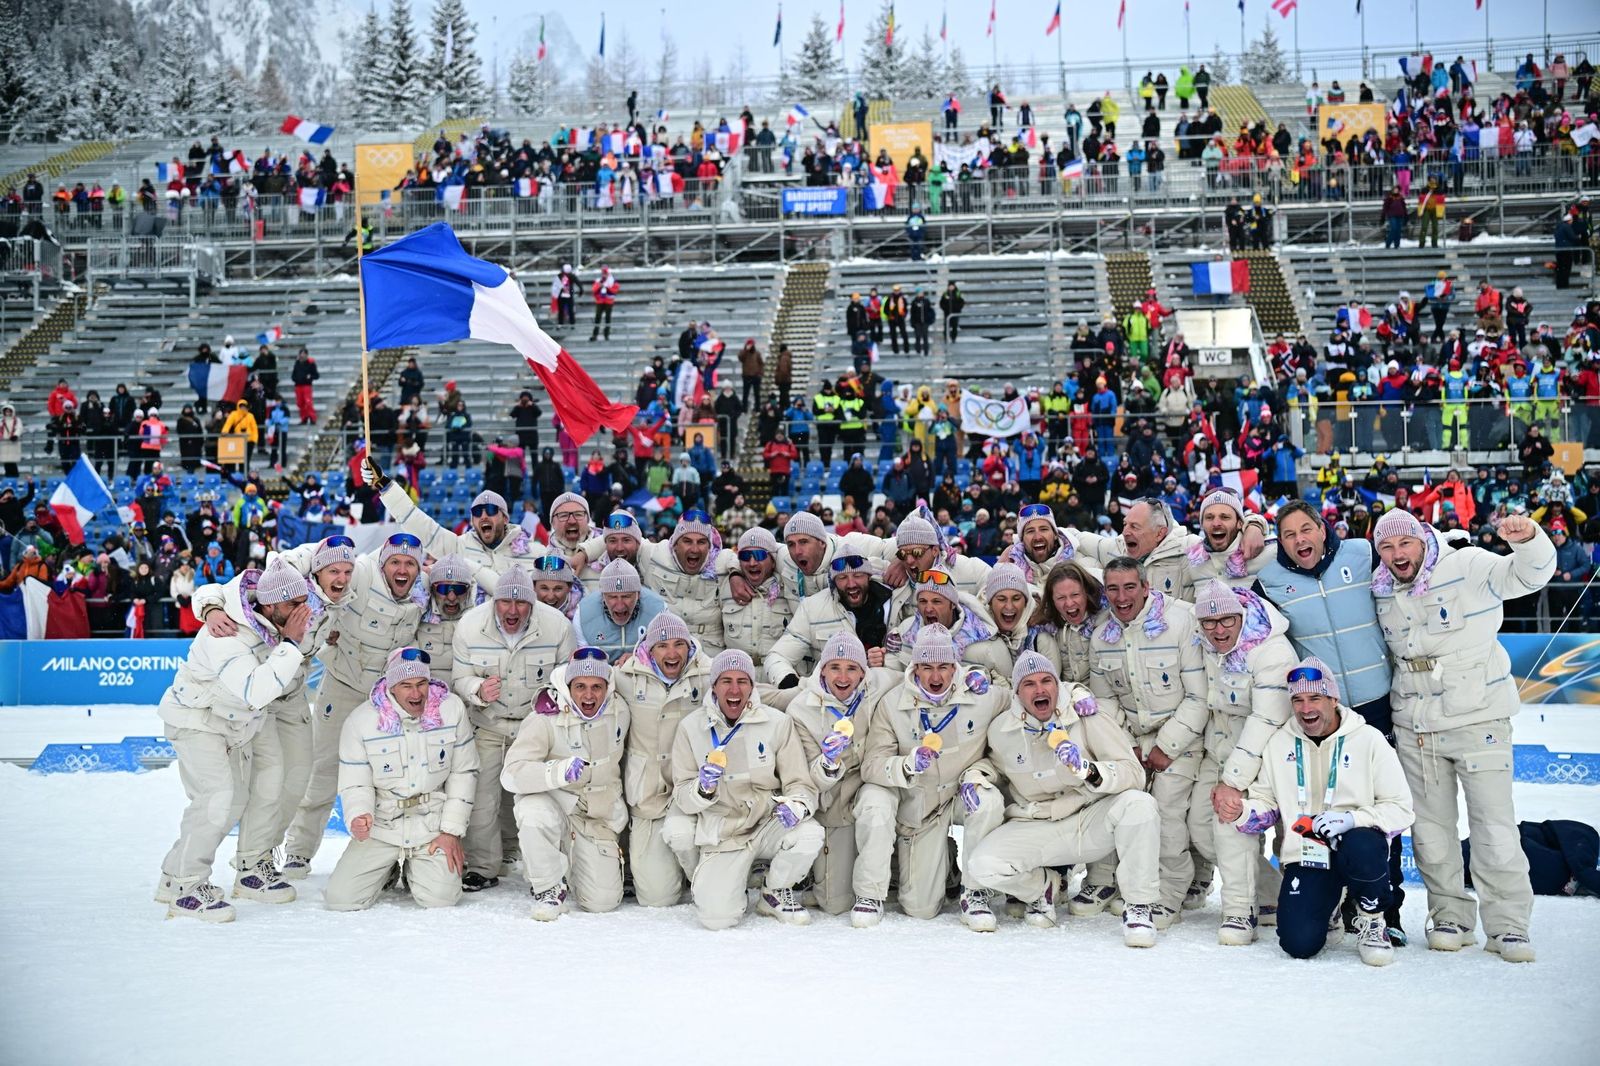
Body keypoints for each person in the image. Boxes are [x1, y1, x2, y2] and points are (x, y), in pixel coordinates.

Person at [1372, 509, 1553, 962]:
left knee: (1495, 829)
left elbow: (1528, 575)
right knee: (1431, 835)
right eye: (1387, 548)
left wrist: (1528, 538)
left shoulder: (1466, 564)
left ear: (1422, 540)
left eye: (1405, 544)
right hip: (1416, 726)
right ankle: (1449, 915)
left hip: (1479, 720)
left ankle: (1508, 925)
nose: (1398, 555)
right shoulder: (1380, 591)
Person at [968, 652, 1162, 946]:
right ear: (1018, 693)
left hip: (1089, 818)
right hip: (1038, 824)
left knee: (1139, 805)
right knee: (982, 864)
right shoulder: (1002, 730)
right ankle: (1042, 888)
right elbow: (995, 767)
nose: (1040, 689)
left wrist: (1090, 770)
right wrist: (974, 777)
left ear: (1058, 686)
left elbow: (1133, 773)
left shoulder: (1086, 717)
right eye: (1029, 684)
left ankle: (1139, 906)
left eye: (1047, 681)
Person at [1231, 656, 1415, 966]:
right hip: (1307, 853)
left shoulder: (1368, 739)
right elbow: (1266, 803)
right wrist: (1241, 811)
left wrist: (1353, 819)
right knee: (1298, 944)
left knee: (1363, 842)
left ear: (1333, 698)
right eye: (1298, 700)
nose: (1306, 709)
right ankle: (1328, 910)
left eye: (1315, 698)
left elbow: (1400, 809)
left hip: (1355, 847)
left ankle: (1372, 919)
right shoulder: (1278, 743)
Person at [153, 562, 310, 921]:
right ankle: (186, 885)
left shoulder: (273, 612)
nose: (304, 611)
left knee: (239, 797)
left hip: (237, 724)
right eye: (294, 605)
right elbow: (257, 691)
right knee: (216, 799)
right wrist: (290, 644)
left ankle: (178, 876)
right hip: (198, 720)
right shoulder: (225, 635)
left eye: (305, 602)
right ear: (269, 606)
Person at [272, 533, 427, 880]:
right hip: (342, 687)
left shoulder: (425, 590)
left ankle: (382, 857)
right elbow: (299, 560)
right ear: (382, 562)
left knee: (388, 777)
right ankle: (298, 850)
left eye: (410, 564)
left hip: (385, 700)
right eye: (394, 562)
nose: (401, 570)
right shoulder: (359, 572)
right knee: (322, 771)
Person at [858, 624, 1009, 929]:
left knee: (988, 800)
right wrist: (906, 765)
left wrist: (981, 772)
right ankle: (947, 863)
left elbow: (1033, 694)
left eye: (944, 667)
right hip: (921, 806)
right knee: (920, 908)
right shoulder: (893, 703)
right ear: (914, 667)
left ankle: (974, 892)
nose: (936, 677)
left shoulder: (983, 695)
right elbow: (872, 765)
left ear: (956, 667)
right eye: (927, 667)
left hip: (962, 793)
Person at [1085, 556, 1206, 928]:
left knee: (1166, 812)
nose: (1122, 597)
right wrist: (1126, 748)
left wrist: (1165, 747)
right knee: (1128, 809)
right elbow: (1104, 702)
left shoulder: (1180, 623)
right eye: (1113, 589)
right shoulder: (1102, 636)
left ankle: (1170, 892)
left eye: (1130, 587)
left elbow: (1199, 697)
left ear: (1146, 587)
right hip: (1132, 743)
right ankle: (1129, 884)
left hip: (1181, 739)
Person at [666, 649, 823, 929]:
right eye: (726, 681)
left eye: (743, 681)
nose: (735, 689)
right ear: (713, 686)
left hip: (767, 822)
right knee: (716, 919)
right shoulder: (691, 728)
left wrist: (797, 806)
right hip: (723, 831)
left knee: (810, 834)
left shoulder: (776, 722)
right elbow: (681, 794)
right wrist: (701, 789)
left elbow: (800, 782)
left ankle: (774, 890)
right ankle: (721, 883)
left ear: (753, 685)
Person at [449, 564, 579, 891]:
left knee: (543, 796)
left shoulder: (557, 626)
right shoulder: (469, 626)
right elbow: (459, 677)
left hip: (535, 728)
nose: (513, 610)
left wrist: (555, 696)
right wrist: (476, 689)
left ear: (532, 605)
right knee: (482, 799)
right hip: (488, 723)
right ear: (494, 602)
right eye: (505, 602)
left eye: (521, 604)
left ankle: (550, 866)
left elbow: (569, 675)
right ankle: (481, 866)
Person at [1181, 579, 1297, 943]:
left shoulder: (1270, 651)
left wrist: (1232, 780)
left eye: (1227, 621)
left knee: (1228, 819)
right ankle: (1269, 894)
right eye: (1209, 623)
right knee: (1200, 828)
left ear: (1242, 615)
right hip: (1221, 752)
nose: (1218, 630)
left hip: (1270, 757)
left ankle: (1238, 911)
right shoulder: (1204, 646)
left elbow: (1266, 719)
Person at [324, 647, 477, 912]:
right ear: (391, 686)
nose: (416, 694)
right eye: (406, 685)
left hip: (432, 824)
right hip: (384, 824)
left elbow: (464, 772)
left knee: (441, 899)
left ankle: (416, 870)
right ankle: (387, 869)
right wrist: (359, 815)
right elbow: (355, 782)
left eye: (422, 684)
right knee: (341, 899)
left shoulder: (451, 710)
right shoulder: (361, 721)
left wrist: (451, 831)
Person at [501, 649, 628, 919]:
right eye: (580, 687)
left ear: (609, 687)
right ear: (568, 686)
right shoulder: (544, 717)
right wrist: (557, 772)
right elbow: (511, 773)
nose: (589, 695)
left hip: (595, 817)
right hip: (556, 806)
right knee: (532, 811)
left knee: (602, 902)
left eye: (597, 687)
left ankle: (572, 863)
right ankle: (547, 886)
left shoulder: (620, 711)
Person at [785, 631, 901, 922]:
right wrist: (828, 761)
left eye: (852, 668)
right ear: (822, 669)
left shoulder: (882, 682)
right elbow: (810, 777)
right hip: (834, 798)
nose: (843, 676)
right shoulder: (801, 710)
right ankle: (827, 876)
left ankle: (870, 895)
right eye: (835, 667)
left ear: (864, 672)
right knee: (834, 902)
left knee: (878, 804)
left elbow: (922, 676)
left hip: (871, 784)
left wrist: (971, 678)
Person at [614, 613, 712, 907]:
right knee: (657, 897)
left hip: (695, 791)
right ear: (649, 649)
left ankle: (706, 878)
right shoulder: (625, 676)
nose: (672, 653)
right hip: (649, 795)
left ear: (689, 647)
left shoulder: (708, 674)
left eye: (679, 645)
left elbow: (751, 692)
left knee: (686, 838)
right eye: (663, 646)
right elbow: (582, 682)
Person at [717, 528, 794, 667]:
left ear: (773, 561)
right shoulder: (725, 587)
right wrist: (734, 573)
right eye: (746, 556)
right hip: (738, 675)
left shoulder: (789, 588)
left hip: (777, 676)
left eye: (759, 555)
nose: (752, 563)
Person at [574, 558, 667, 661]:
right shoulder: (583, 613)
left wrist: (640, 658)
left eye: (626, 596)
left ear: (638, 594)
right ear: (602, 596)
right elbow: (583, 660)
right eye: (612, 597)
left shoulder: (659, 611)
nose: (620, 606)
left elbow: (666, 654)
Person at [590, 265, 619, 341]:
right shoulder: (598, 280)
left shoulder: (612, 281)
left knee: (607, 318)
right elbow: (593, 289)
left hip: (608, 301)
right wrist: (600, 285)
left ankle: (606, 334)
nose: (604, 274)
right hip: (600, 301)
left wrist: (606, 287)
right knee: (597, 318)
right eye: (603, 273)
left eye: (605, 273)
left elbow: (615, 290)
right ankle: (595, 334)